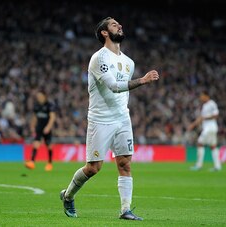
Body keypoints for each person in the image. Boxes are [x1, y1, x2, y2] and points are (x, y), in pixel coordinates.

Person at [59, 17, 159, 221]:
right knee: (93, 168)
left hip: (122, 118)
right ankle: (68, 195)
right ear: (104, 32)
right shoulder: (99, 58)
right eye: (114, 24)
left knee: (125, 163)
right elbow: (113, 87)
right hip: (100, 120)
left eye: (119, 24)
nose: (119, 25)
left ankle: (125, 210)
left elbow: (123, 93)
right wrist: (143, 80)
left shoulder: (128, 62)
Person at [188, 90, 221, 171]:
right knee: (213, 146)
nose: (201, 98)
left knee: (200, 143)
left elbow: (216, 115)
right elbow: (201, 118)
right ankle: (217, 166)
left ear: (206, 96)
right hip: (211, 128)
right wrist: (193, 125)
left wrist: (205, 118)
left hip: (209, 128)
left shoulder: (211, 104)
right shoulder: (205, 106)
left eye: (202, 96)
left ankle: (199, 165)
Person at [25, 90, 56, 171]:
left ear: (44, 96)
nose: (39, 98)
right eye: (38, 97)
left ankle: (49, 163)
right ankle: (32, 162)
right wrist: (32, 126)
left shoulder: (49, 105)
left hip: (47, 127)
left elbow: (52, 117)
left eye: (40, 96)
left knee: (48, 145)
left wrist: (48, 127)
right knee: (36, 143)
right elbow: (35, 117)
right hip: (39, 127)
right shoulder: (36, 105)